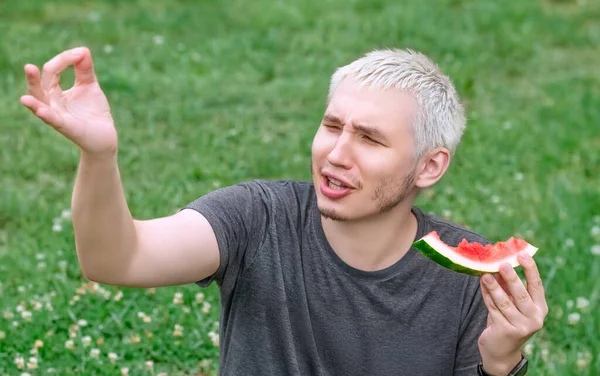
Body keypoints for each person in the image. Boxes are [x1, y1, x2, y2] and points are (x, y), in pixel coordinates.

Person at [20, 46, 547, 375]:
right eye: (333, 125)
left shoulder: (467, 283)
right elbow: (117, 260)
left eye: (369, 139)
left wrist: (500, 363)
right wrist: (98, 154)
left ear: (429, 166)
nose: (336, 153)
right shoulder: (258, 218)